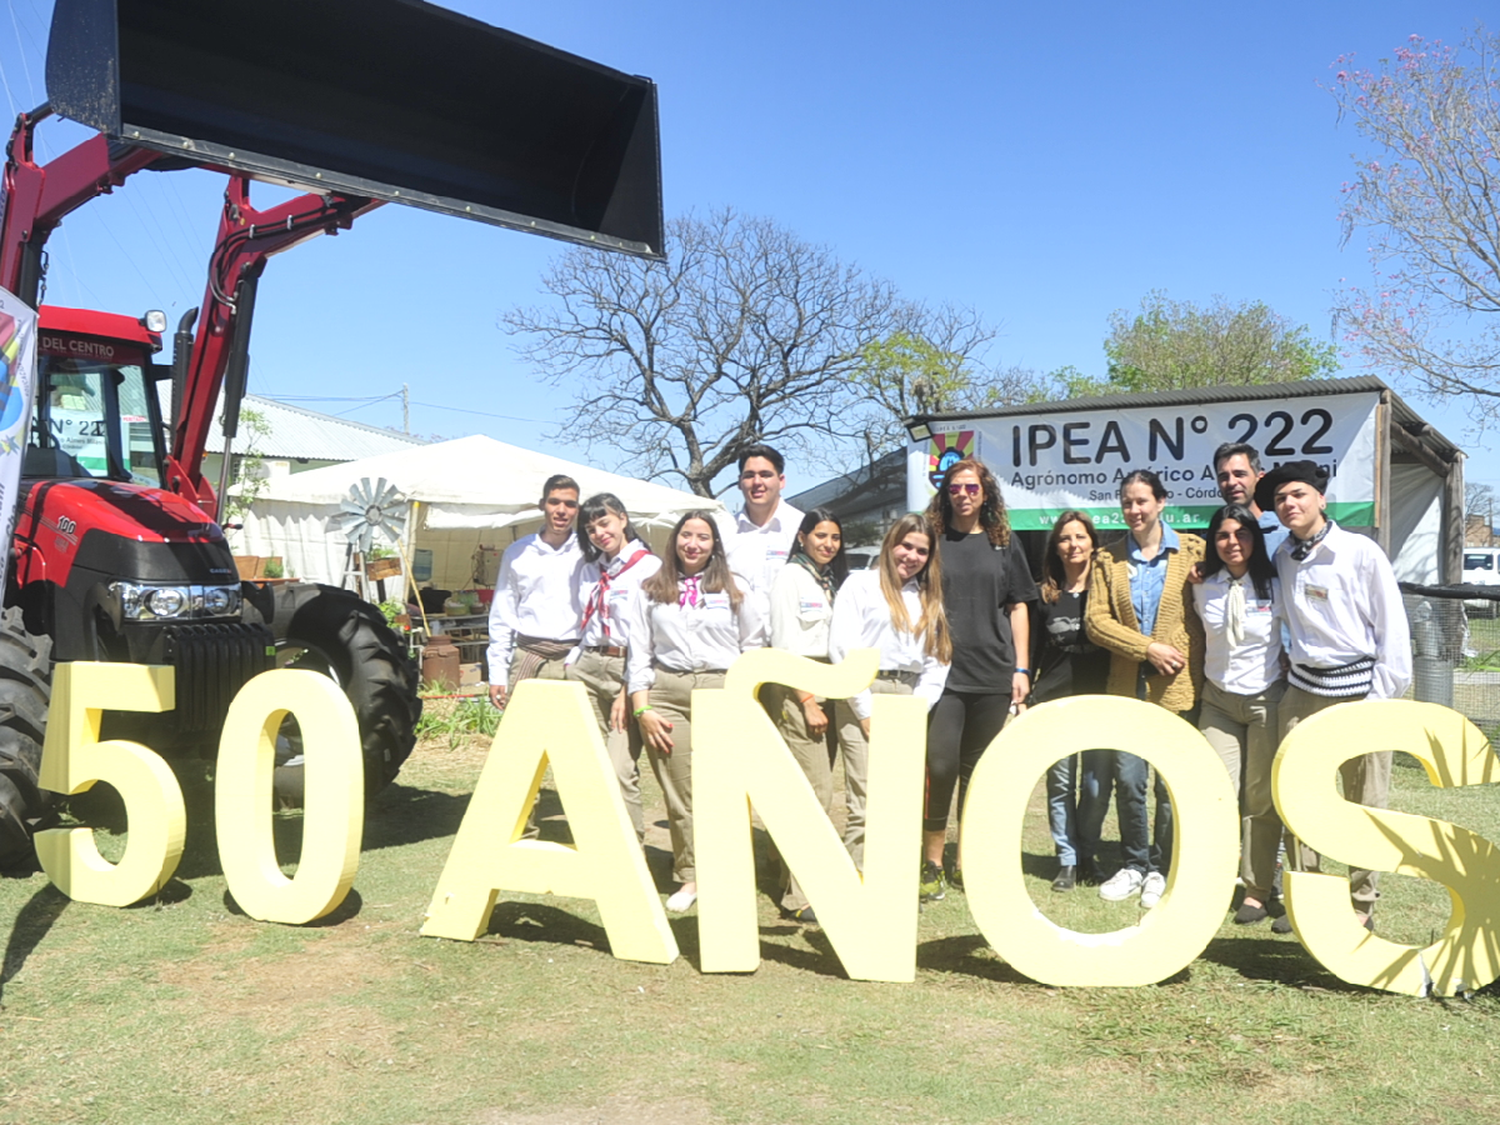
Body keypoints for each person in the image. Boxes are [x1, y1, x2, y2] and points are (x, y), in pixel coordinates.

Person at [1254, 459, 1412, 935]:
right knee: (1299, 797)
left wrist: (1379, 699)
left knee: (1364, 802)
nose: (1289, 504)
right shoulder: (1282, 555)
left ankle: (1361, 901)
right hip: (1302, 694)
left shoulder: (1359, 552)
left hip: (1360, 691)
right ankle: (1310, 894)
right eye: (1281, 499)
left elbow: (1393, 630)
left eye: (1298, 494)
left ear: (1321, 499)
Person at [626, 510, 766, 913]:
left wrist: (744, 696)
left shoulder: (735, 588)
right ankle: (691, 876)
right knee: (680, 791)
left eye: (702, 537)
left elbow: (753, 645)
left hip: (721, 688)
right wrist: (643, 709)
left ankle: (730, 865)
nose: (693, 544)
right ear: (674, 541)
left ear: (714, 544)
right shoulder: (650, 589)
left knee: (724, 785)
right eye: (686, 535)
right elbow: (640, 653)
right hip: (668, 692)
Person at [1085, 469, 1205, 909]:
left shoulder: (1194, 550)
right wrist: (1148, 648)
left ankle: (1164, 867)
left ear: (1161, 502)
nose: (1134, 510)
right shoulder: (1107, 559)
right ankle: (1135, 864)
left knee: (1169, 785)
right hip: (1126, 686)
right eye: (1127, 502)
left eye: (1142, 501)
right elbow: (1096, 622)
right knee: (1130, 780)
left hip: (1178, 687)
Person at [920, 459, 1036, 901]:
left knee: (978, 773)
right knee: (940, 765)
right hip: (942, 674)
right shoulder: (932, 541)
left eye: (972, 487)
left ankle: (966, 858)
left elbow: (1019, 606)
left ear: (985, 493)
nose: (963, 495)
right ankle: (932, 861)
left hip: (993, 673)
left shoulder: (1002, 542)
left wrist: (1021, 668)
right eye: (955, 488)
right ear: (945, 493)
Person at [829, 513, 951, 871]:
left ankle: (890, 884)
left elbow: (937, 661)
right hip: (862, 691)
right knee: (865, 801)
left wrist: (916, 709)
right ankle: (857, 887)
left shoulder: (929, 596)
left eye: (921, 551)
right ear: (890, 543)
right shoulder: (859, 585)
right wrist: (865, 710)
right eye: (906, 545)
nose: (911, 556)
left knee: (899, 800)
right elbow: (841, 648)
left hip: (909, 697)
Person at [1192, 503, 1285, 925]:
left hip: (1265, 699)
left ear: (1255, 538)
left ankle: (1257, 889)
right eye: (1224, 535)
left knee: (1260, 800)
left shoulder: (1275, 583)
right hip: (1218, 702)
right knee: (1214, 793)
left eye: (1241, 534)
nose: (1233, 542)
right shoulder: (1201, 583)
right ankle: (1210, 881)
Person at [766, 507, 849, 924]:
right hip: (800, 691)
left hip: (828, 685)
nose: (828, 544)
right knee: (815, 792)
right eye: (820, 536)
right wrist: (807, 700)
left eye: (834, 537)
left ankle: (792, 881)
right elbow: (783, 648)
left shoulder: (829, 579)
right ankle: (799, 894)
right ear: (802, 538)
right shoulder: (789, 578)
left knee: (814, 789)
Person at [565, 493, 661, 844]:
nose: (599, 533)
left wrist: (627, 690)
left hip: (626, 667)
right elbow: (582, 621)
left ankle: (631, 848)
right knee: (586, 762)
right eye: (590, 529)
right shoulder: (590, 569)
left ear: (622, 518)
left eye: (604, 523)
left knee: (619, 767)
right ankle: (597, 843)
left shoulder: (649, 567)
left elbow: (649, 636)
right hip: (587, 665)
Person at [1030, 510, 1112, 892]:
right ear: (1055, 547)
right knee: (1060, 784)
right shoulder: (1044, 595)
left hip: (1101, 701)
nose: (1073, 545)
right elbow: (1030, 654)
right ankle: (1066, 859)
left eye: (1080, 537)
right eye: (1065, 538)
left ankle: (1088, 853)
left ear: (1093, 544)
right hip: (1055, 703)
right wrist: (1025, 693)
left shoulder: (1108, 594)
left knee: (1096, 786)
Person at [486, 474, 585, 710]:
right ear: (543, 505)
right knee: (527, 741)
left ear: (577, 509)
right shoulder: (517, 553)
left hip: (576, 658)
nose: (561, 510)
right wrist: (498, 672)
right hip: (529, 657)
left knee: (575, 741)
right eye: (554, 502)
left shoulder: (589, 552)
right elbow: (502, 615)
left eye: (569, 504)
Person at [718, 444, 804, 622]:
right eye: (749, 476)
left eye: (765, 475)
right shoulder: (723, 532)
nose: (757, 482)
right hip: (737, 641)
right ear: (740, 482)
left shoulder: (802, 528)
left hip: (789, 640)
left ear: (781, 481)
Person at [1214, 442, 1289, 558]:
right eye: (1224, 477)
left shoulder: (1286, 536)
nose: (1231, 482)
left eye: (1239, 474)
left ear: (1259, 478)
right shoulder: (1213, 542)